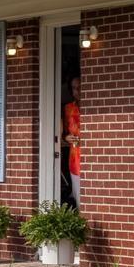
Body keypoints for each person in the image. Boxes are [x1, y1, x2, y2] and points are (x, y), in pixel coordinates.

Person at [61, 71, 81, 203]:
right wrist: (66, 138)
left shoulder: (96, 106)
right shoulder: (68, 109)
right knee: (78, 196)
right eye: (74, 88)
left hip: (95, 157)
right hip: (75, 159)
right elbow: (62, 134)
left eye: (80, 87)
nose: (77, 91)